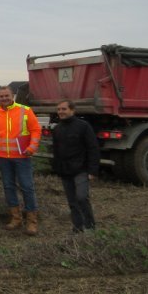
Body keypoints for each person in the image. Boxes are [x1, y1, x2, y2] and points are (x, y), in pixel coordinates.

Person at [0, 86, 42, 236]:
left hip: (22, 157)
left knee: (27, 187)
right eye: (1, 96)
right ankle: (16, 219)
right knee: (8, 188)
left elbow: (36, 130)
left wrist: (32, 147)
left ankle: (32, 222)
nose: (4, 98)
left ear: (12, 96)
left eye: (6, 96)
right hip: (3, 158)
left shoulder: (25, 110)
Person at [52, 99, 99, 233]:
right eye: (59, 109)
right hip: (65, 171)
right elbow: (56, 151)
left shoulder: (83, 126)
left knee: (82, 197)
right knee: (72, 202)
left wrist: (92, 170)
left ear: (72, 110)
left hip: (81, 169)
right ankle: (77, 227)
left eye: (64, 109)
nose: (61, 112)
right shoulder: (57, 129)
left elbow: (93, 148)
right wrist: (57, 168)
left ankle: (90, 227)